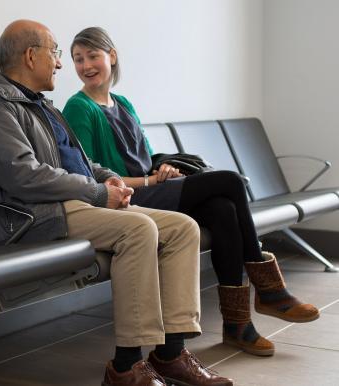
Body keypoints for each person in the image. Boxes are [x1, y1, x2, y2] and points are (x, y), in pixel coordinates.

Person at [0, 19, 233, 386]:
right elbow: (24, 176)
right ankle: (125, 368)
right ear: (30, 56)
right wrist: (99, 193)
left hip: (67, 206)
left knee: (183, 228)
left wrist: (106, 177)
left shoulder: (43, 108)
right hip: (28, 217)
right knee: (139, 229)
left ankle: (170, 354)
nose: (59, 63)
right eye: (56, 53)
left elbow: (80, 162)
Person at [62, 26, 320, 358]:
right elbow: (91, 173)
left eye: (92, 56)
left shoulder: (123, 103)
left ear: (111, 56)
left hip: (151, 188)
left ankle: (237, 325)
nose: (86, 66)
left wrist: (162, 170)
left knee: (223, 210)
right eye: (77, 59)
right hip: (127, 200)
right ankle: (269, 289)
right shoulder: (79, 108)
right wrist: (152, 181)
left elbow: (144, 158)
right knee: (231, 182)